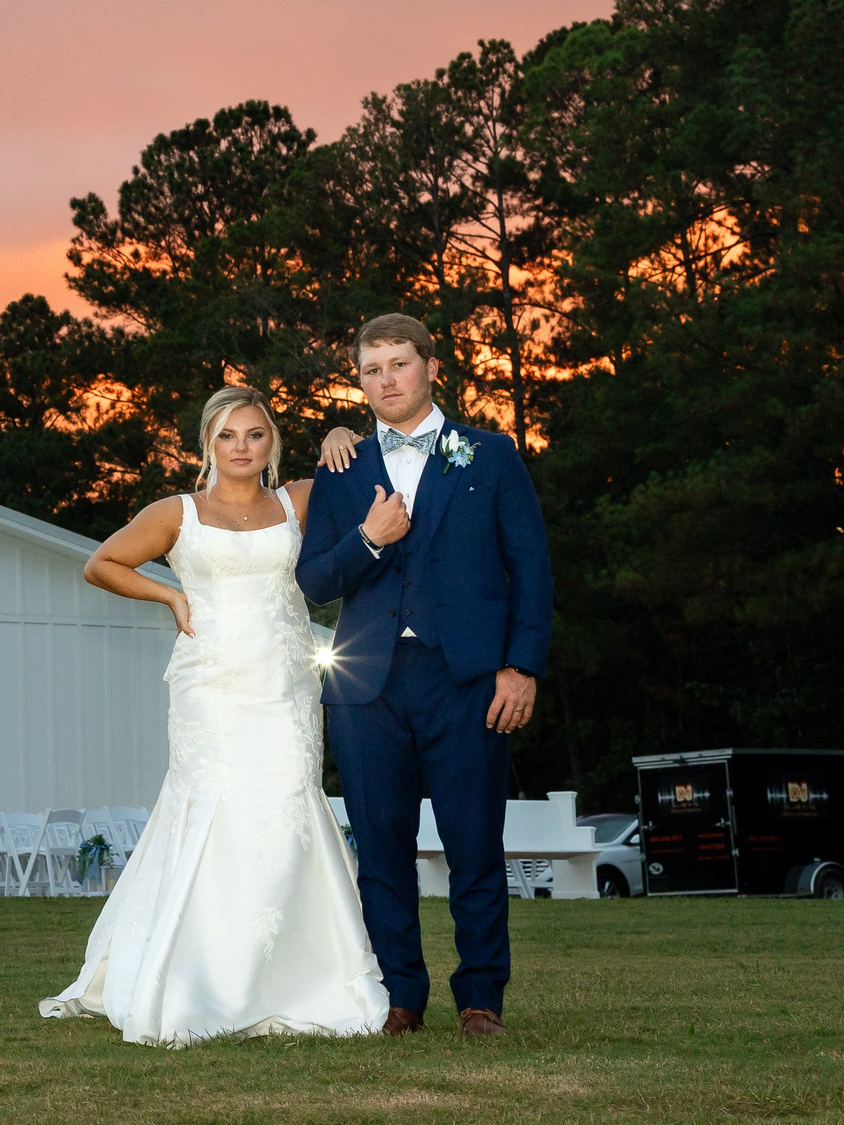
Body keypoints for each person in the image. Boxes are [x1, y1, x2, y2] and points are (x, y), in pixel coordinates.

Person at [40, 384, 389, 1046]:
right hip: (212, 690)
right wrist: (168, 596)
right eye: (228, 435)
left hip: (285, 686)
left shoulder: (301, 500)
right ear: (208, 441)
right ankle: (199, 976)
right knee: (216, 808)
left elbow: (382, 475)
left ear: (271, 442)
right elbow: (102, 561)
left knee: (289, 804)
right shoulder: (177, 511)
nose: (241, 447)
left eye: (254, 434)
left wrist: (343, 433)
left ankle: (299, 975)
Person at [298, 314, 553, 1040]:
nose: (386, 378)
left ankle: (481, 1001)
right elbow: (314, 579)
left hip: (468, 678)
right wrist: (366, 540)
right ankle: (398, 997)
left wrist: (521, 665)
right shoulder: (341, 467)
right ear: (360, 379)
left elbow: (531, 569)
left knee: (475, 843)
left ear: (432, 366)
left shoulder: (492, 455)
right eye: (371, 368)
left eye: (399, 363)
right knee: (380, 849)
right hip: (366, 685)